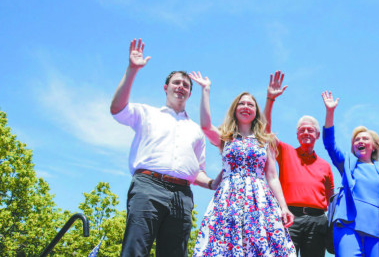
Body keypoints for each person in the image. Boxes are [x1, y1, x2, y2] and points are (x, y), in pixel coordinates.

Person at [110, 39, 221, 257]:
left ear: (190, 93)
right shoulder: (146, 113)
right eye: (176, 82)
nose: (181, 87)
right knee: (135, 249)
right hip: (147, 186)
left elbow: (197, 170)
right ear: (166, 87)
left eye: (186, 85)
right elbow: (117, 108)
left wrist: (211, 183)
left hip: (182, 194)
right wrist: (132, 70)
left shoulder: (196, 130)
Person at [189, 71, 297, 256]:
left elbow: (272, 176)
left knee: (260, 244)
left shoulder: (265, 140)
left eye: (250, 104)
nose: (246, 107)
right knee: (226, 244)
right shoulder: (226, 138)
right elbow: (206, 126)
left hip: (259, 199)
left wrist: (284, 207)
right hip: (229, 198)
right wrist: (205, 90)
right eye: (242, 103)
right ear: (235, 109)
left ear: (256, 111)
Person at [321, 91, 379, 257]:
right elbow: (329, 145)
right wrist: (330, 112)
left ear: (374, 146)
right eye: (356, 140)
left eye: (365, 139)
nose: (360, 141)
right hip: (348, 226)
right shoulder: (347, 164)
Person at [263, 71, 335, 257]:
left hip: (317, 220)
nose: (306, 133)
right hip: (290, 217)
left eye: (310, 130)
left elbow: (330, 198)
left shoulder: (325, 166)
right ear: (296, 135)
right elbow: (264, 131)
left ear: (317, 135)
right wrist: (270, 99)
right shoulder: (285, 151)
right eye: (301, 130)